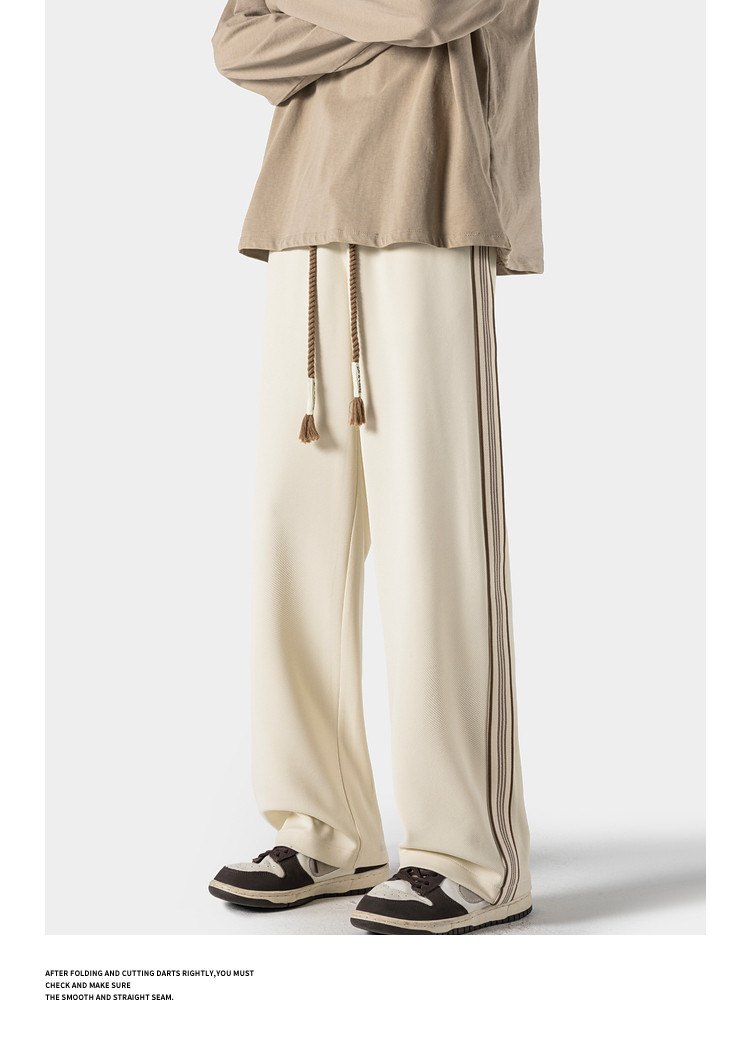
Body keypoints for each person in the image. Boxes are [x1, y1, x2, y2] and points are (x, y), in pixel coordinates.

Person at [207, 0, 543, 936]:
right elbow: (237, 42)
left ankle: (469, 853)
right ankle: (324, 825)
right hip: (304, 213)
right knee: (297, 536)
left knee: (437, 532)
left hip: (432, 197)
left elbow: (433, 11)